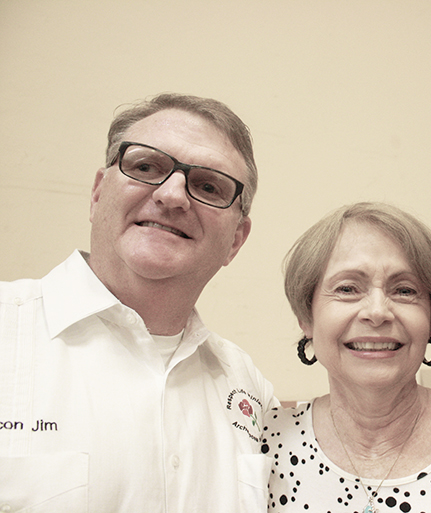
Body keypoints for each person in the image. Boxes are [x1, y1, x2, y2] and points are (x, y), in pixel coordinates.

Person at [0, 93, 279, 512]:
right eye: (147, 167)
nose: (172, 195)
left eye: (207, 186)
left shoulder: (249, 389)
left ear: (235, 241)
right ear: (97, 194)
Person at [261, 202, 431, 512]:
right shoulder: (264, 442)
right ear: (307, 316)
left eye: (405, 290)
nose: (378, 312)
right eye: (347, 288)